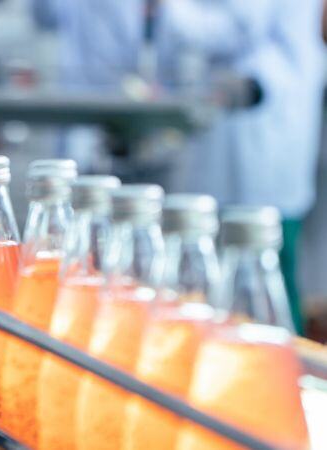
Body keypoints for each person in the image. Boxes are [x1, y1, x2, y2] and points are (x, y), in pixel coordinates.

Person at [32, 0, 326, 334]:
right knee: (230, 284)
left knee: (264, 281)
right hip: (241, 126)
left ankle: (284, 378)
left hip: (259, 126)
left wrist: (167, 9)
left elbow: (234, 28)